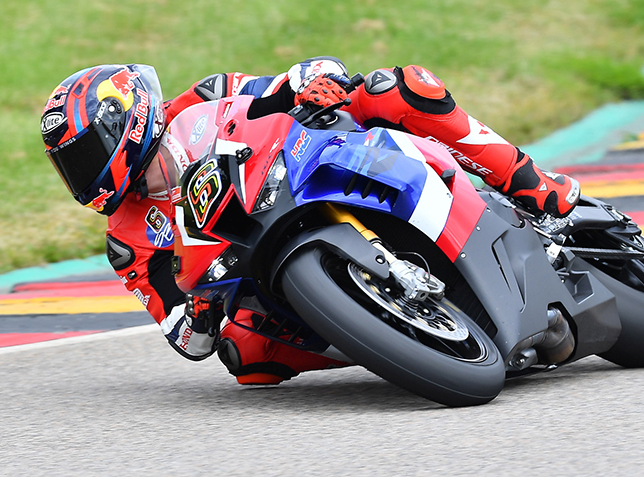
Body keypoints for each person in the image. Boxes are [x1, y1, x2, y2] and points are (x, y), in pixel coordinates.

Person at [40, 58, 580, 385]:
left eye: (83, 155)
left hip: (308, 164)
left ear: (125, 122)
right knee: (247, 360)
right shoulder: (127, 241)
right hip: (252, 265)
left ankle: (528, 183)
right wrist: (201, 312)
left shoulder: (202, 97)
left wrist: (318, 81)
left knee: (398, 87)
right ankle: (396, 343)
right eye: (69, 166)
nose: (80, 175)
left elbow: (288, 80)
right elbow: (185, 337)